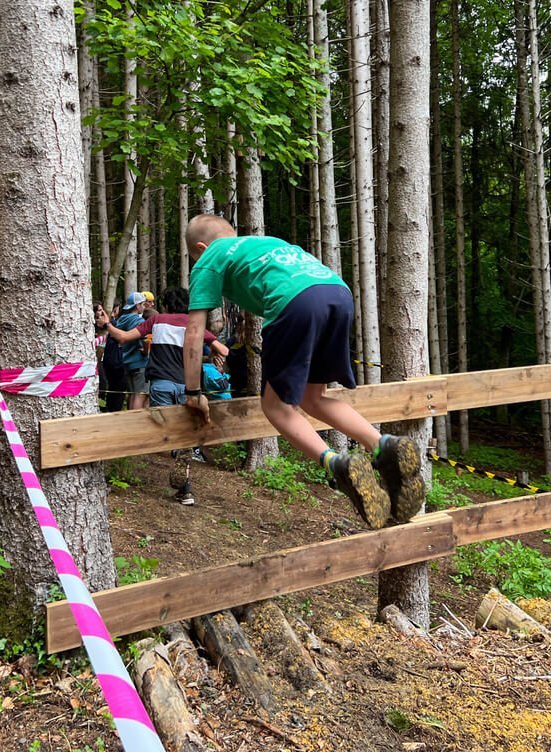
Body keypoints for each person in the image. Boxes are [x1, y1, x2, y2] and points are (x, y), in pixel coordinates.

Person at [180, 213, 426, 529]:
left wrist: (192, 392)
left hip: (294, 301)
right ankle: (383, 444)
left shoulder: (209, 257)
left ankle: (337, 464)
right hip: (336, 292)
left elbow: (194, 330)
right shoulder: (261, 243)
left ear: (201, 247)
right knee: (314, 397)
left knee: (275, 407)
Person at [99, 286, 229, 505]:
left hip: (160, 384)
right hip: (187, 388)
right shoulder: (193, 324)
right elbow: (224, 351)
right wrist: (214, 353)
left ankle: (182, 478)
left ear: (166, 304)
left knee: (167, 433)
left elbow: (122, 338)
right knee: (181, 433)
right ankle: (184, 480)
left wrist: (107, 324)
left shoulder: (156, 321)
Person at [115, 292, 151, 410]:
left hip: (127, 362)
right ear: (137, 306)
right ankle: (138, 421)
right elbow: (146, 340)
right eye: (142, 304)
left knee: (132, 394)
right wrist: (146, 352)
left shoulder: (122, 319)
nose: (144, 306)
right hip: (139, 362)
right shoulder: (139, 322)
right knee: (141, 395)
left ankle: (130, 418)